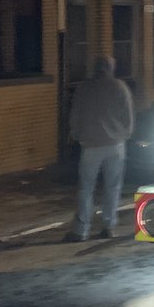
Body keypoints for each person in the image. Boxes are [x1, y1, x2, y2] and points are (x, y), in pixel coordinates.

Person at [63, 56, 135, 242]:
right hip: (115, 145)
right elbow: (128, 117)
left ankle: (82, 230)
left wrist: (78, 136)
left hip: (91, 146)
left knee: (86, 189)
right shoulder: (120, 87)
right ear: (111, 68)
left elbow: (75, 116)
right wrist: (123, 135)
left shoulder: (84, 88)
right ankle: (108, 226)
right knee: (112, 187)